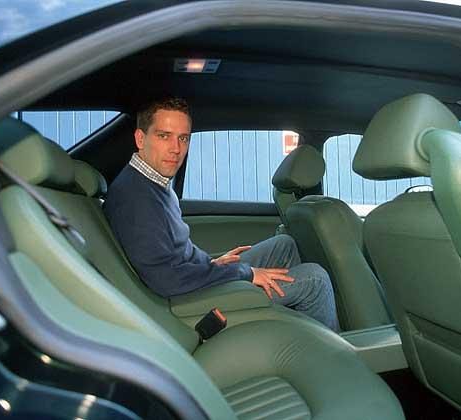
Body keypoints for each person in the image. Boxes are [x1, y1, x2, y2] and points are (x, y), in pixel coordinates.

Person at [103, 98, 339, 331]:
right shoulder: (136, 198)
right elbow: (165, 279)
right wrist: (244, 273)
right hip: (186, 305)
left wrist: (211, 264)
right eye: (164, 136)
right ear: (140, 138)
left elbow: (174, 254)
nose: (176, 149)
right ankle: (331, 353)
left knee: (283, 245)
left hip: (190, 283)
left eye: (183, 138)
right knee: (315, 280)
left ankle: (293, 331)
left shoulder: (152, 184)